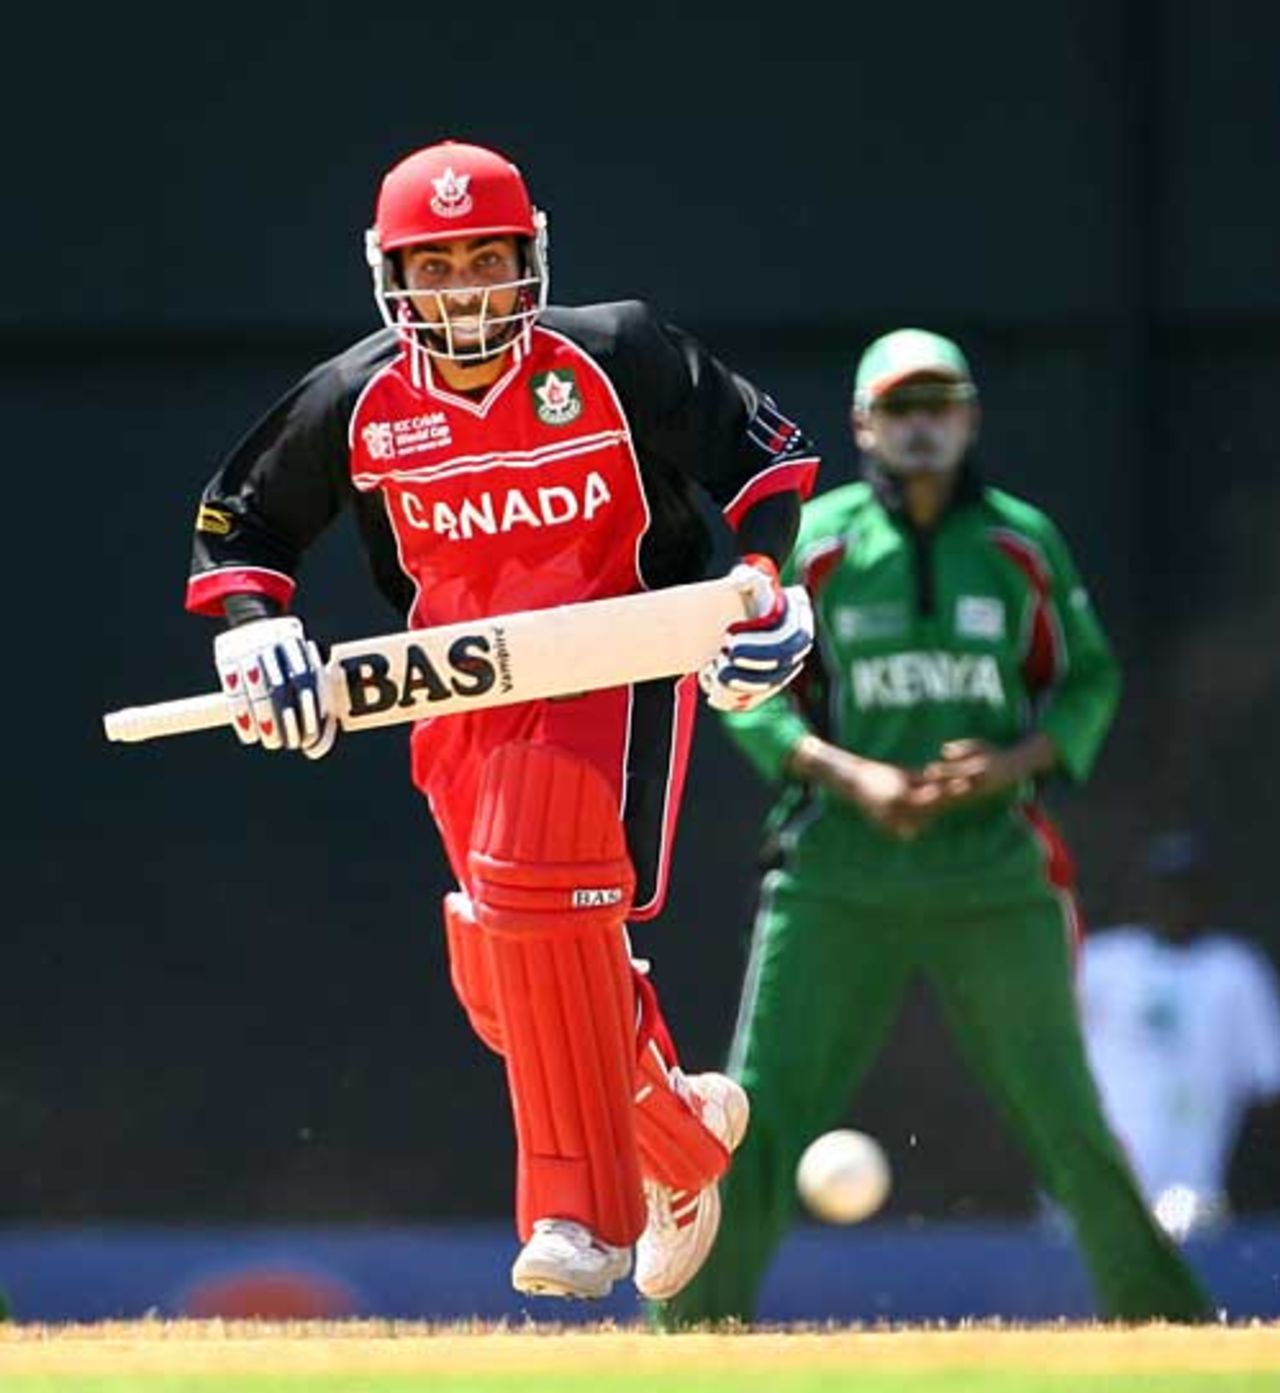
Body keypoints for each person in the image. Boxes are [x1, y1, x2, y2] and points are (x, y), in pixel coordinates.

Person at [184, 139, 820, 1301]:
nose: (465, 289)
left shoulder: (616, 352)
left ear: (531, 257)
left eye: (487, 258)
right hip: (454, 692)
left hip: (614, 662)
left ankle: (580, 1214)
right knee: (505, 970)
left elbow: (767, 461)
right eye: (436, 267)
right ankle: (679, 1135)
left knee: (533, 889)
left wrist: (769, 591)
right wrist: (251, 627)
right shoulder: (357, 397)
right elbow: (241, 523)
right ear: (392, 277)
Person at [662, 328, 1212, 1324]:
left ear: (967, 417)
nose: (919, 427)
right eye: (899, 408)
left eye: (937, 405)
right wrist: (849, 773)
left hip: (991, 872)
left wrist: (1009, 763)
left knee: (1067, 1118)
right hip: (836, 869)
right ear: (864, 423)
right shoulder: (816, 543)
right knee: (756, 1116)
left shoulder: (1016, 541)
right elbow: (741, 689)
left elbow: (1085, 678)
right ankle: (688, 1337)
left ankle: (1167, 1327)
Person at [1079, 830, 1280, 1240]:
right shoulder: (1102, 961)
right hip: (1097, 1186)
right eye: (1165, 890)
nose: (1175, 903)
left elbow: (1267, 1085)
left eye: (1187, 891)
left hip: (1190, 1194)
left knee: (1176, 1290)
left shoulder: (1236, 970)